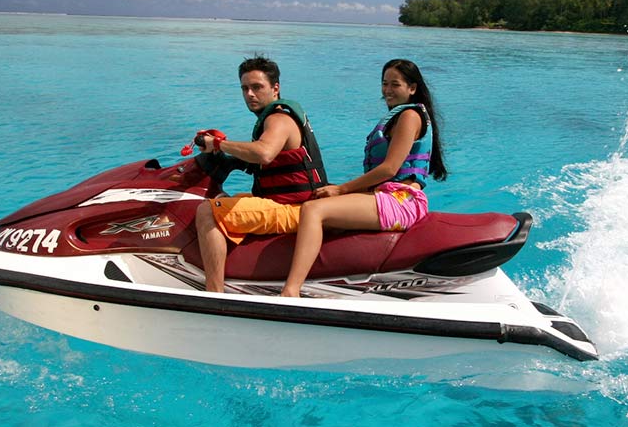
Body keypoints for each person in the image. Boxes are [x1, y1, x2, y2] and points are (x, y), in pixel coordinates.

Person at [281, 59, 447, 297]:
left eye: (395, 84)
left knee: (313, 210)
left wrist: (342, 189)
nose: (387, 90)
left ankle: (291, 290)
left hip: (402, 201)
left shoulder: (410, 116)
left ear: (412, 88)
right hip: (388, 196)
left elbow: (389, 169)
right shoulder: (399, 116)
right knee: (317, 198)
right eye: (384, 83)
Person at [192, 56, 328, 292]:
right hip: (292, 203)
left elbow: (264, 153)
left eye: (257, 87)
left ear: (275, 88)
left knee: (207, 212)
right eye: (245, 88)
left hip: (294, 209)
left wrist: (218, 144)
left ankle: (214, 293)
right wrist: (231, 159)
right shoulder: (278, 117)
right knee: (223, 199)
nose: (250, 94)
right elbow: (269, 163)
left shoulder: (278, 119)